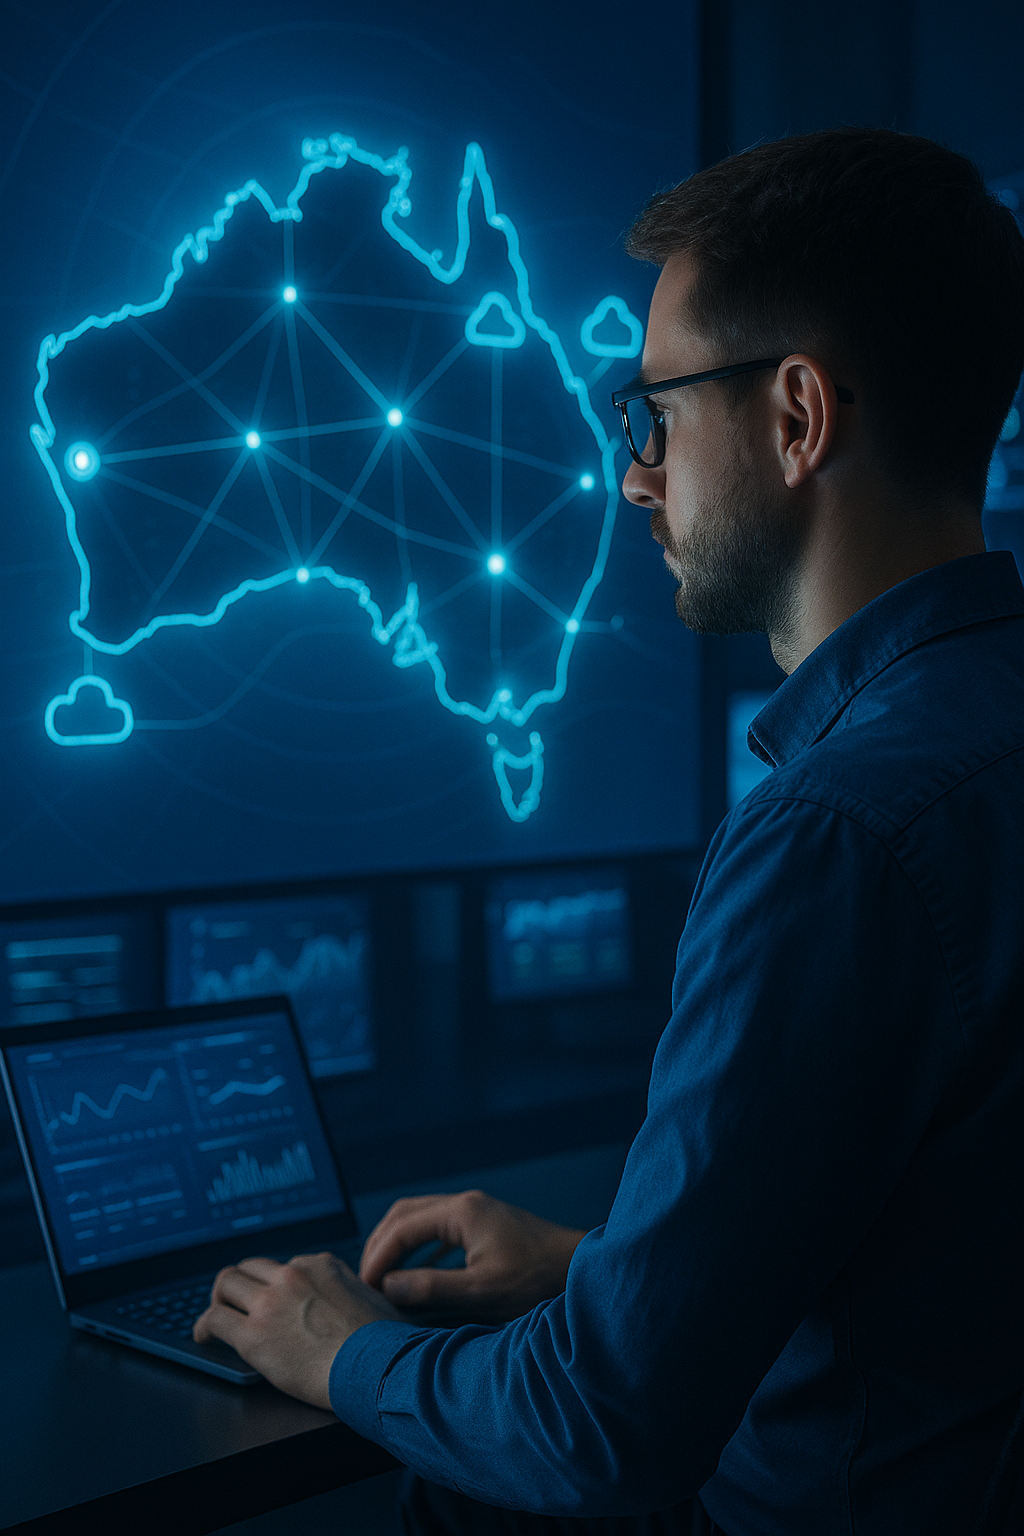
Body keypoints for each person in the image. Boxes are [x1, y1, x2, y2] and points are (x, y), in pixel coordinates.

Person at [194, 128, 1024, 1534]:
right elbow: (930, 1271)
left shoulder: (834, 835)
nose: (634, 478)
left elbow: (599, 1433)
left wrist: (344, 1350)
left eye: (655, 414)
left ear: (797, 416)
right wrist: (602, 1264)